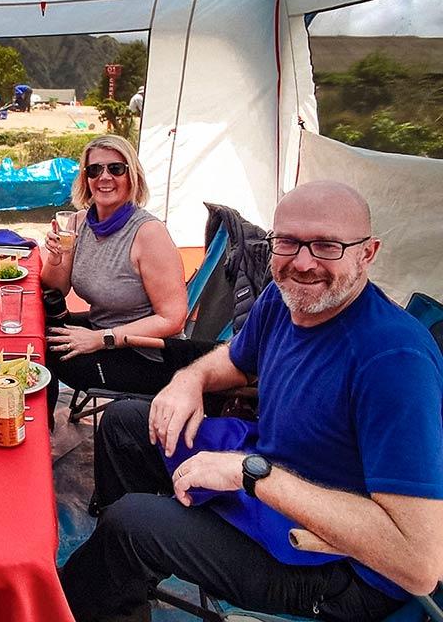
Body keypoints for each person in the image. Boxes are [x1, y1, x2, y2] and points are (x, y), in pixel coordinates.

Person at [60, 181, 443, 621]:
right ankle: (121, 577)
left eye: (326, 246)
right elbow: (237, 361)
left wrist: (251, 474)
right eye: (288, 242)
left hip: (336, 563)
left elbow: (418, 565)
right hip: (271, 471)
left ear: (367, 253)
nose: (303, 262)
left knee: (132, 525)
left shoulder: (394, 362)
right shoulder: (286, 303)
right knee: (127, 423)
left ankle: (119, 558)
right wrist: (190, 379)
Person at [41, 135, 187, 427]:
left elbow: (173, 319)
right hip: (102, 329)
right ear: (86, 178)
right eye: (94, 170)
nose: (104, 177)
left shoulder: (148, 234)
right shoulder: (80, 222)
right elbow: (56, 288)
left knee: (45, 355)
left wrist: (99, 339)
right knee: (33, 334)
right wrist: (56, 259)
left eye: (115, 169)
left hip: (144, 353)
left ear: (132, 176)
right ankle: (41, 428)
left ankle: (37, 439)